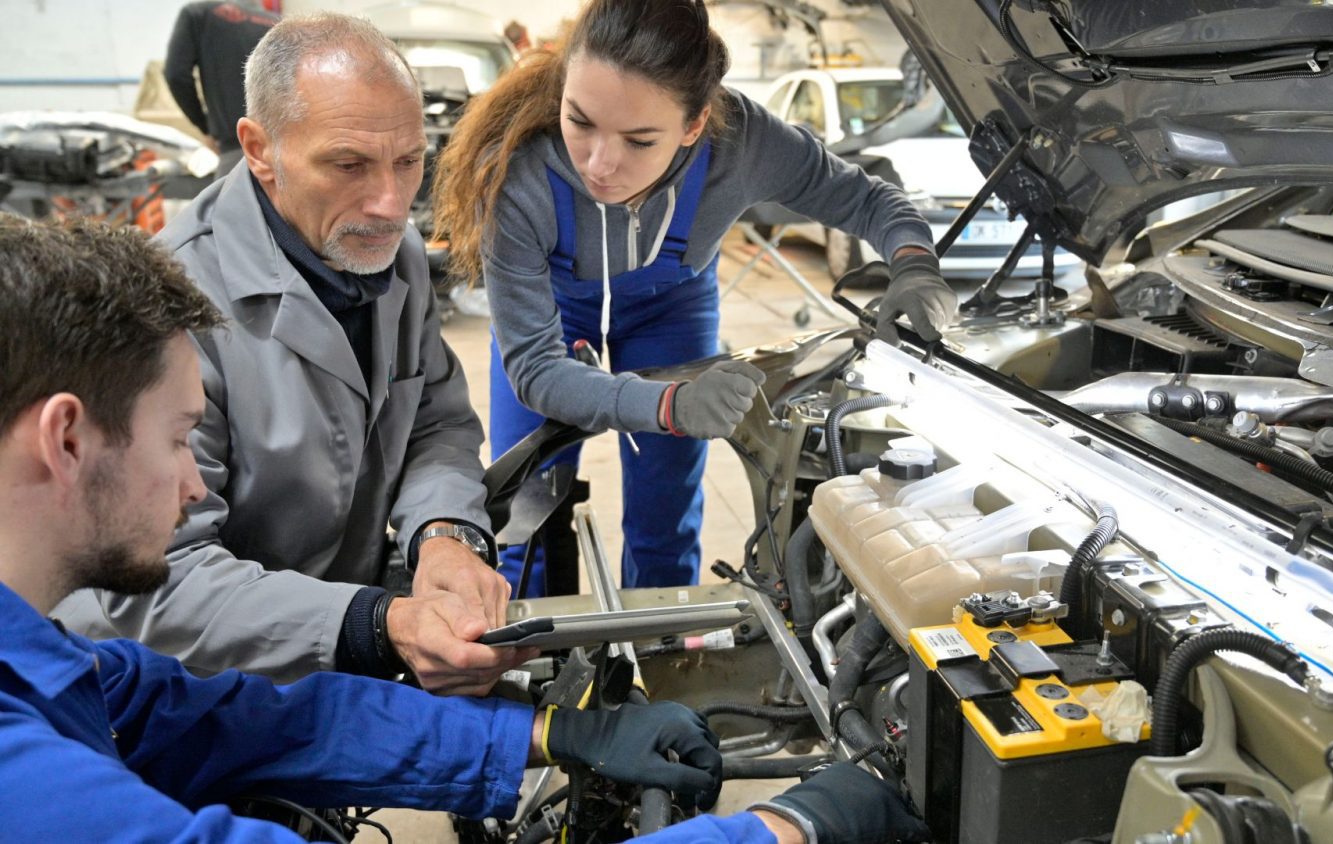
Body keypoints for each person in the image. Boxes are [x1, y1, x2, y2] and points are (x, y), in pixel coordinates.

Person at [0, 214, 928, 844]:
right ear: (67, 438)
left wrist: (553, 733)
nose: (196, 481)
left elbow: (254, 721)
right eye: (174, 440)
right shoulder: (26, 786)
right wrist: (781, 828)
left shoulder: (47, 663)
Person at [55, 13, 521, 695]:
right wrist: (374, 623)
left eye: (409, 160)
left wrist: (444, 533)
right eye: (348, 165)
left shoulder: (398, 257)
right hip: (185, 683)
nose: (392, 203)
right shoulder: (162, 308)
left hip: (341, 625)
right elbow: (157, 575)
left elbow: (436, 422)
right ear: (259, 148)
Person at [433, 0, 958, 594]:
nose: (600, 165)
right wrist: (666, 405)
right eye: (579, 122)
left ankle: (662, 654)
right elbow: (535, 369)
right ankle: (526, 660)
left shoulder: (745, 145)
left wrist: (914, 262)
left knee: (666, 508)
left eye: (639, 140)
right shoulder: (517, 173)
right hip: (554, 311)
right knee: (523, 509)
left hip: (671, 307)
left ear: (694, 125)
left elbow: (869, 200)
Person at [164, 1, 280, 178]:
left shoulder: (198, 14)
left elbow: (176, 75)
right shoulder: (275, 22)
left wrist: (205, 127)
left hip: (236, 149)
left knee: (233, 204)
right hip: (284, 148)